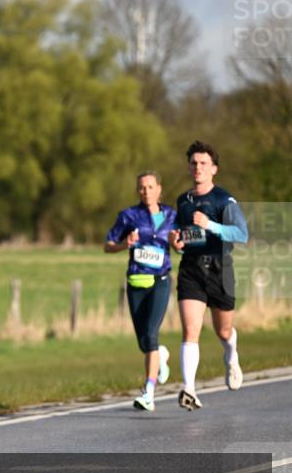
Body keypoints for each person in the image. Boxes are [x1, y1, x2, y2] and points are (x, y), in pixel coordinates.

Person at [169, 141, 248, 411]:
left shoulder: (224, 200)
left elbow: (241, 234)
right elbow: (184, 236)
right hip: (191, 269)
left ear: (213, 169)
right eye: (193, 163)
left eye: (203, 163)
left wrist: (211, 225)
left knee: (223, 330)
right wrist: (177, 242)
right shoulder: (183, 201)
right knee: (191, 330)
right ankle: (189, 388)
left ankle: (231, 355)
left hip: (219, 269)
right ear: (189, 167)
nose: (198, 167)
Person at [104, 172, 176, 412]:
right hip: (136, 282)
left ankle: (149, 393)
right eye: (142, 188)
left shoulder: (171, 216)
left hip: (161, 280)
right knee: (144, 341)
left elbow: (183, 243)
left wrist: (178, 243)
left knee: (151, 334)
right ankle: (160, 356)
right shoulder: (129, 216)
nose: (146, 191)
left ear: (159, 189)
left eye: (151, 187)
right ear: (138, 191)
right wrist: (126, 244)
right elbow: (108, 245)